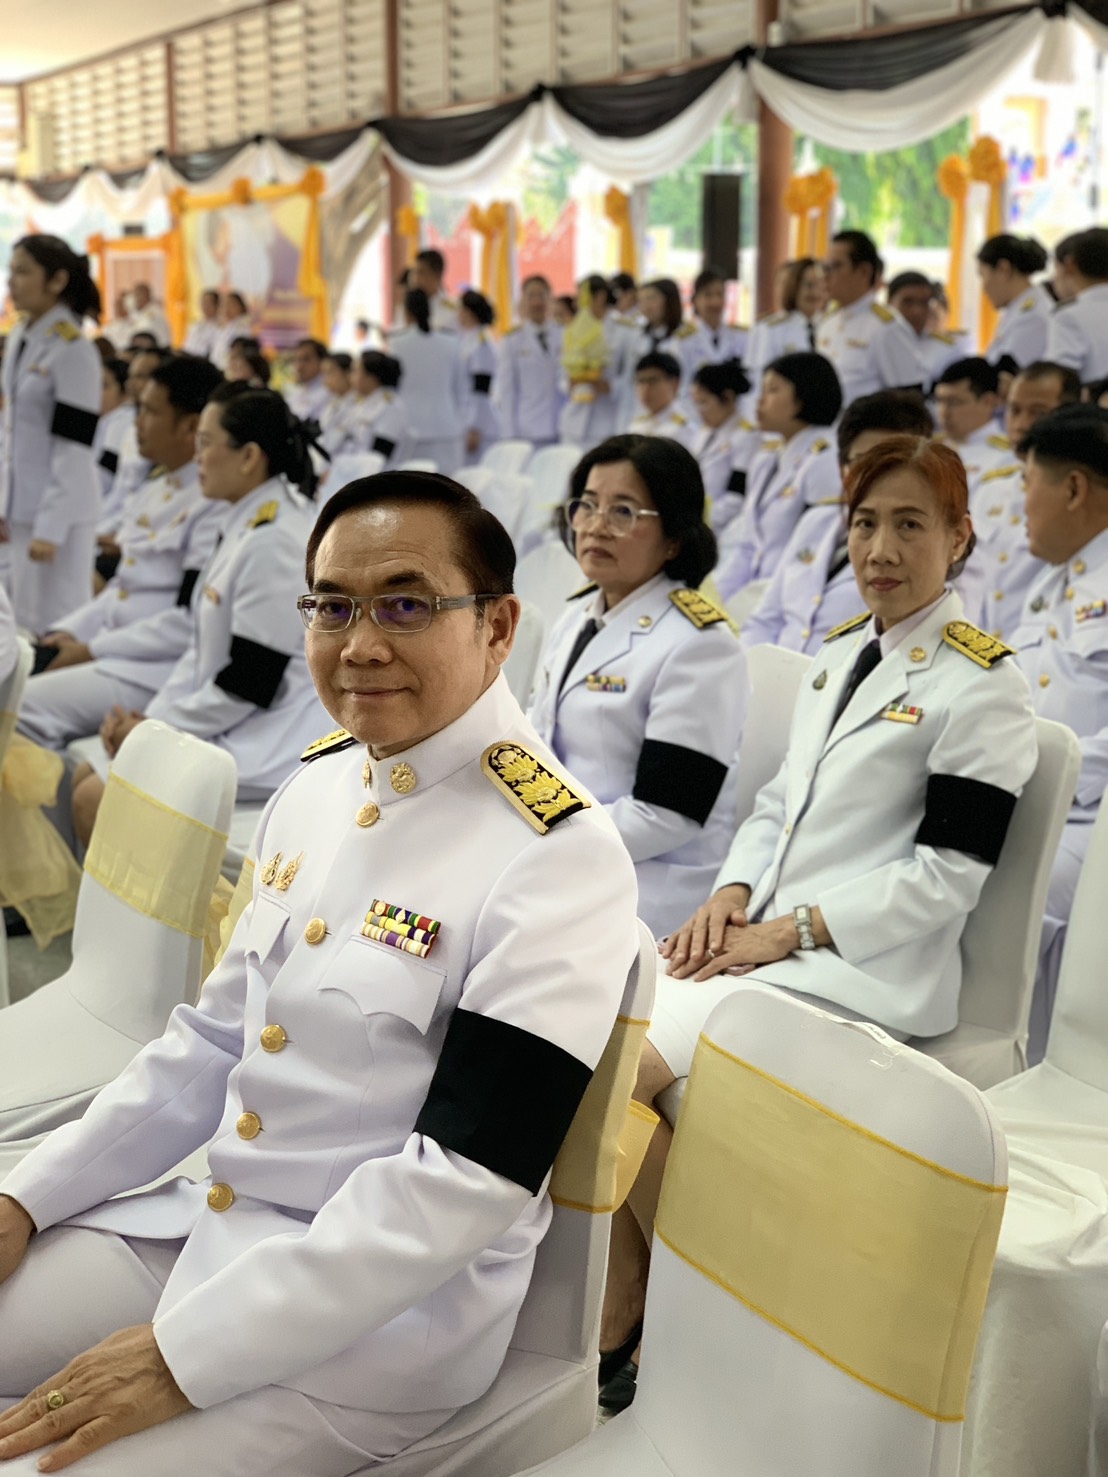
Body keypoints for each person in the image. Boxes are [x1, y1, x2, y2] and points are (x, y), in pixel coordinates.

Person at [0, 470, 639, 1477]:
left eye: (406, 605)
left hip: (372, 1336)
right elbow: (208, 1045)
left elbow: (466, 1179)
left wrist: (182, 1356)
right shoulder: (319, 787)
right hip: (201, 1230)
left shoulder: (556, 853)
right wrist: (27, 1198)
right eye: (333, 607)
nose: (361, 643)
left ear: (499, 625)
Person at [599, 437, 1038, 1410]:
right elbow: (776, 807)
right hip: (767, 946)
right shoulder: (839, 654)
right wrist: (731, 893)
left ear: (961, 537)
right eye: (864, 522)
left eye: (910, 524)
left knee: (616, 1071)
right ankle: (654, 1295)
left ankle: (671, 1311)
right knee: (590, 1043)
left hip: (862, 969)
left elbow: (948, 876)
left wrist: (788, 929)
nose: (880, 547)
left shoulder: (982, 683)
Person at [66, 385, 328, 846]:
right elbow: (199, 651)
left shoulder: (273, 540)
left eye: (206, 443)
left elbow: (250, 682)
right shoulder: (244, 522)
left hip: (265, 738)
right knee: (87, 774)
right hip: (230, 720)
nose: (197, 456)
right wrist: (151, 721)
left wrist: (154, 732)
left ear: (249, 457)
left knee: (96, 798)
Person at [528, 435, 742, 936]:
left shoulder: (700, 645)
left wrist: (542, 841)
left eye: (623, 512)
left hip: (642, 885)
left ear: (674, 538)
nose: (595, 526)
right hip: (561, 853)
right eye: (587, 505)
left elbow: (667, 815)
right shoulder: (579, 614)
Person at [15, 356, 226, 754]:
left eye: (150, 411)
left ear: (190, 426)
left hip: (151, 668)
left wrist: (90, 650)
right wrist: (69, 632)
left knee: (19, 707)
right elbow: (122, 588)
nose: (137, 422)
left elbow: (187, 621)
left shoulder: (212, 503)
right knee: (17, 670)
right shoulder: (159, 484)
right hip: (113, 648)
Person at [1011, 406, 1108, 1059]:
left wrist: (1049, 781)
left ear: (1072, 488)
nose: (1020, 504)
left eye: (1027, 483)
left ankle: (1035, 1068)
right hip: (1041, 798)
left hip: (1091, 813)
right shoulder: (1050, 586)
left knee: (1021, 893)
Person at [741, 390, 935, 656]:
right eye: (864, 461)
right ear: (843, 468)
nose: (876, 475)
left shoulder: (931, 542)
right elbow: (765, 620)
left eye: (891, 463)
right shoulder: (816, 521)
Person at [0, 235, 102, 633]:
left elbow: (74, 447)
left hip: (60, 512)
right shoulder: (21, 337)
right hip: (21, 506)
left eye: (23, 272)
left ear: (57, 280)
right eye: (11, 271)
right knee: (22, 621)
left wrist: (51, 526)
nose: (11, 281)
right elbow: (11, 432)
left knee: (57, 623)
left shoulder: (73, 349)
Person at [716, 352, 843, 600]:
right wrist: (717, 600)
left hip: (791, 596)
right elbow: (747, 545)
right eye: (762, 390)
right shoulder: (766, 459)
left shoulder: (824, 459)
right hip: (751, 592)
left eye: (773, 390)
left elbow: (815, 550)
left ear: (804, 396)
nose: (760, 400)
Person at [969, 360, 1080, 641]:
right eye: (1014, 410)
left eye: (1038, 412)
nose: (1022, 424)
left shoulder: (1077, 493)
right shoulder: (988, 489)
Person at [818, 230, 923, 405]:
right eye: (824, 268)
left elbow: (909, 397)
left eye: (835, 267)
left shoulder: (886, 327)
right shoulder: (827, 322)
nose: (826, 276)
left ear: (863, 271)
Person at [391, 288, 469, 473]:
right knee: (449, 485)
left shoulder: (396, 343)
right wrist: (461, 421)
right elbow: (462, 389)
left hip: (409, 428)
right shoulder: (451, 341)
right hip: (446, 426)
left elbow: (393, 390)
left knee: (412, 487)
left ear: (406, 312)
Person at [687, 359, 754, 535]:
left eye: (704, 403)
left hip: (722, 528)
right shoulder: (703, 433)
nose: (699, 411)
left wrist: (701, 519)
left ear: (728, 398)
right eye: (696, 404)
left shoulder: (747, 437)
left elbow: (737, 497)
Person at [495, 275, 563, 447]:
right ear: (523, 301)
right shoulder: (512, 340)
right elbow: (507, 390)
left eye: (542, 295)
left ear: (550, 299)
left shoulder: (564, 335)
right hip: (528, 428)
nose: (537, 302)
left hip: (561, 424)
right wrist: (509, 433)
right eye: (531, 296)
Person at [933, 357, 1012, 494]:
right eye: (939, 401)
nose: (944, 412)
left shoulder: (1007, 456)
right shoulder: (930, 446)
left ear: (988, 402)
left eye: (955, 402)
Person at [977, 234, 1052, 372]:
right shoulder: (1021, 309)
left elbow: (1007, 372)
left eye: (983, 276)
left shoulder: (1032, 317)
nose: (984, 288)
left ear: (1003, 269)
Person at [1046, 228, 1108, 385]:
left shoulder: (1069, 318)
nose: (1054, 279)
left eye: (1056, 269)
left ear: (1070, 265)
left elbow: (1060, 384)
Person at [886, 271, 966, 389]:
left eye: (924, 303)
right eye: (908, 302)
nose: (916, 311)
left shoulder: (947, 349)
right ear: (889, 303)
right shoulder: (874, 342)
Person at [676, 267, 747, 383]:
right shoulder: (683, 340)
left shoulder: (742, 336)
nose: (715, 302)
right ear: (695, 300)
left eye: (720, 294)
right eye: (708, 295)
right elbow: (682, 386)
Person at [341, 351, 409, 470]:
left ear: (371, 377)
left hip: (374, 474)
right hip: (353, 468)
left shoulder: (391, 407)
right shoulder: (363, 403)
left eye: (356, 371)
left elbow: (380, 456)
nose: (350, 376)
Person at [458, 290, 502, 463]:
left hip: (482, 426)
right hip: (468, 417)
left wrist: (475, 426)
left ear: (469, 312)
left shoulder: (482, 343)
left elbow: (481, 389)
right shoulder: (468, 340)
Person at [626, 352, 692, 444]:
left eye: (653, 381)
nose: (646, 388)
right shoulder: (636, 425)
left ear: (674, 384)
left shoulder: (683, 429)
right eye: (641, 381)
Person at [90, 358, 131, 505]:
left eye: (104, 385)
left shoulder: (123, 419)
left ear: (125, 392)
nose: (95, 391)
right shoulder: (103, 419)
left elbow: (104, 478)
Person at [410, 247, 459, 332]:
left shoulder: (452, 312)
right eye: (414, 272)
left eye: (421, 273)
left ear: (437, 276)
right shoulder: (407, 308)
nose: (415, 279)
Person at [284, 339, 330, 423]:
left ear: (323, 362)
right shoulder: (295, 393)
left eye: (306, 360)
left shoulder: (329, 393)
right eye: (296, 360)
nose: (299, 366)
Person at [211, 292, 254, 371]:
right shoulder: (228, 326)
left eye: (230, 304)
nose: (226, 308)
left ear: (240, 306)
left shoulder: (242, 327)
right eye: (223, 305)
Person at [129, 283, 171, 348]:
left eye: (137, 295)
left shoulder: (154, 313)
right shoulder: (140, 313)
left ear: (145, 295)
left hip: (157, 350)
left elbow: (146, 334)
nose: (135, 299)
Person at [183, 289, 222, 359]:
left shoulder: (220, 327)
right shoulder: (195, 325)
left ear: (217, 305)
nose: (206, 306)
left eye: (209, 303)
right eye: (204, 303)